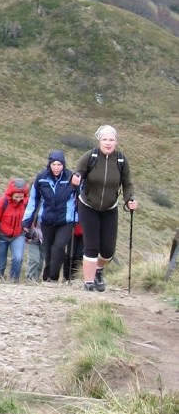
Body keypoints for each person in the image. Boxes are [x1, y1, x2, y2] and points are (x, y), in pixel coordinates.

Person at [72, 125, 137, 291]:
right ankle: (88, 283)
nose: (108, 143)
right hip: (88, 205)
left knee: (108, 250)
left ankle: (98, 270)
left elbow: (127, 184)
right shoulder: (90, 157)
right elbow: (79, 172)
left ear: (116, 142)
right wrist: (76, 178)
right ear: (99, 141)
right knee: (91, 246)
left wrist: (130, 199)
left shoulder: (121, 160)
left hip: (110, 208)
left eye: (111, 140)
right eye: (105, 139)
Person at [22, 150, 78, 282]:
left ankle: (53, 277)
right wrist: (27, 221)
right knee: (48, 250)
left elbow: (80, 197)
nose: (56, 167)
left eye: (59, 164)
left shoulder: (71, 177)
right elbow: (34, 200)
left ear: (63, 165)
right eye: (54, 164)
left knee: (59, 247)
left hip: (66, 221)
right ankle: (47, 278)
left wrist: (79, 217)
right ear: (49, 164)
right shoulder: (41, 177)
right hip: (47, 219)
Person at [0, 178, 29, 281]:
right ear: (11, 194)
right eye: (16, 197)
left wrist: (29, 233)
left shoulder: (26, 203)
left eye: (21, 197)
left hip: (18, 235)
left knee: (18, 259)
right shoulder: (2, 202)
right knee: (0, 264)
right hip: (1, 236)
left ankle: (14, 282)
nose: (19, 199)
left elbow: (29, 219)